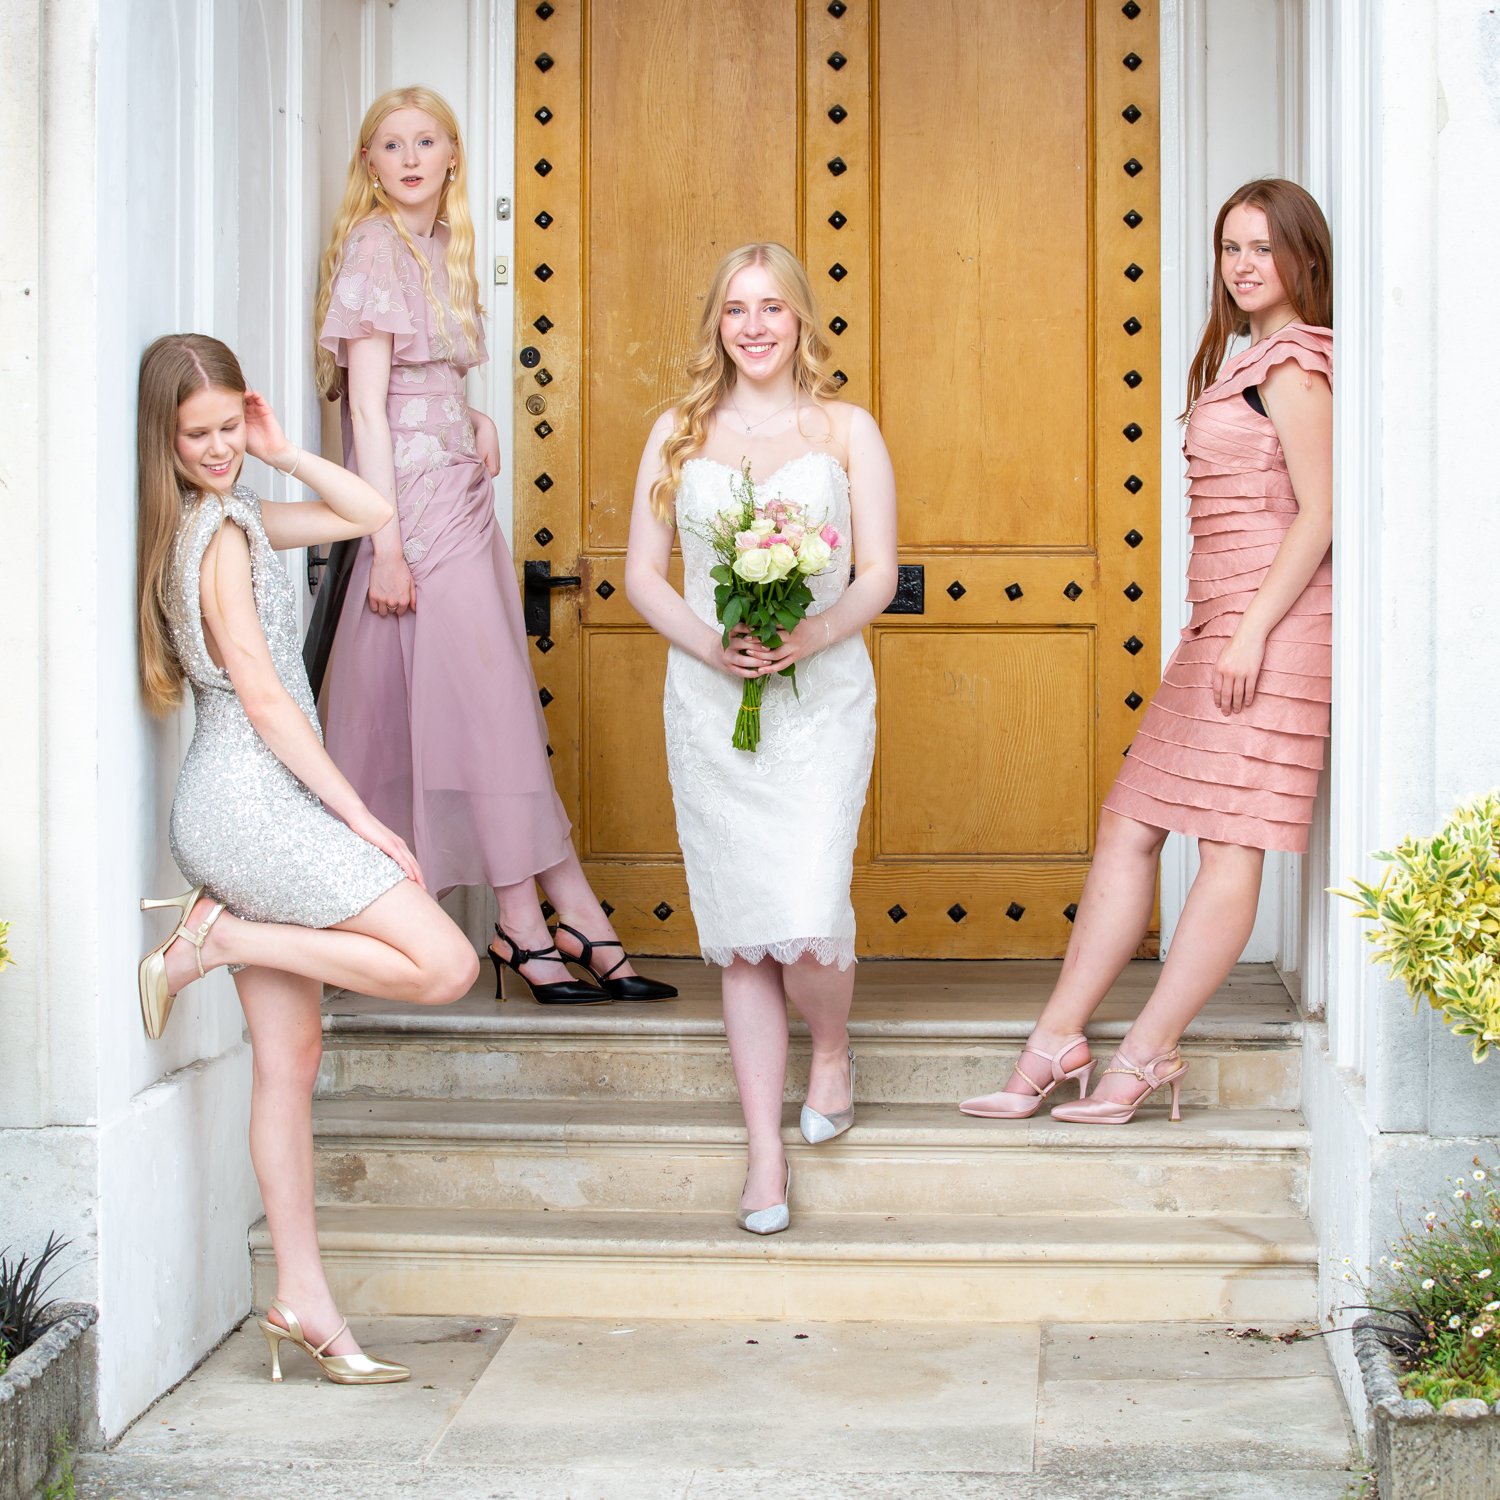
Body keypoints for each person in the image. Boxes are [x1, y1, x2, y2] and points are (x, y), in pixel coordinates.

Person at [135, 333, 480, 1384]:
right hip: (252, 800)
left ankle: (303, 1300)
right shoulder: (220, 540)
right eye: (194, 436)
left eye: (228, 426)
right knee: (446, 965)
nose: (215, 449)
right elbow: (270, 701)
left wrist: (280, 450)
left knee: (290, 1065)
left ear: (247, 410)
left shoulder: (237, 512)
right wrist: (362, 821)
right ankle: (216, 935)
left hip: (252, 800)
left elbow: (373, 516)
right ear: (166, 440)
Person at [960, 178, 1334, 1125]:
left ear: (1303, 258)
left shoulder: (1295, 365)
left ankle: (1146, 1054)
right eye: (1231, 248)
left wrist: (1251, 630)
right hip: (1218, 632)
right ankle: (1056, 1041)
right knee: (1129, 828)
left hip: (1271, 638)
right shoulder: (1243, 358)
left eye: (1263, 248)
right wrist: (1220, 627)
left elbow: (1322, 512)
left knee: (1229, 847)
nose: (1245, 266)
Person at [304, 85, 675, 1006]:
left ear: (453, 156)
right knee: (495, 711)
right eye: (390, 144)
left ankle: (549, 917)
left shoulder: (437, 249)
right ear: (370, 164)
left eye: (426, 141)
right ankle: (550, 918)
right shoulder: (377, 247)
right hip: (417, 518)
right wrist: (385, 545)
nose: (411, 157)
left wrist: (469, 411)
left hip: (455, 497)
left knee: (485, 714)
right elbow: (364, 409)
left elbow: (410, 386)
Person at [625, 243, 898, 1232]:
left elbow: (876, 572)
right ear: (716, 323)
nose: (753, 325)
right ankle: (763, 1158)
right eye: (736, 308)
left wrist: (809, 637)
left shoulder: (846, 429)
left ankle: (830, 1045)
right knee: (744, 934)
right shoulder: (676, 431)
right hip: (711, 703)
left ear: (800, 321)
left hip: (822, 697)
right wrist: (714, 645)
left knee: (812, 902)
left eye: (771, 307)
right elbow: (643, 574)